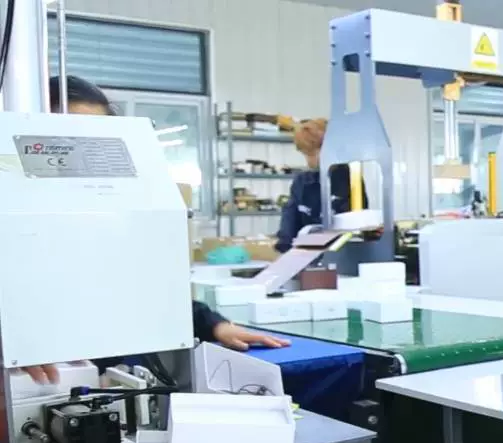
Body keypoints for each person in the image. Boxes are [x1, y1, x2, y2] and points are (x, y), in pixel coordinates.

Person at [21, 76, 290, 384]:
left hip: (99, 379)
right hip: (32, 378)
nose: (81, 151)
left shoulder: (112, 214)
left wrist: (214, 324)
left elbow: (146, 291)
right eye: (68, 137)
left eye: (96, 138)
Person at [274, 118, 361, 252]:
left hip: (341, 253)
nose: (310, 159)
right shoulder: (301, 182)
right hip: (305, 254)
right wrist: (285, 249)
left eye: (314, 152)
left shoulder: (351, 180)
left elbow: (356, 228)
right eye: (306, 153)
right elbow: (289, 225)